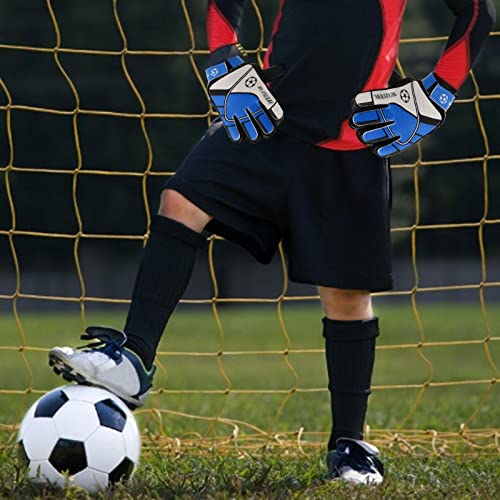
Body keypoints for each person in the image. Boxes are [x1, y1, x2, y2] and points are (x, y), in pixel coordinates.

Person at [49, 0, 495, 485]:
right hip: (267, 117)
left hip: (353, 139)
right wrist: (224, 60)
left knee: (346, 300)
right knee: (181, 200)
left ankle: (350, 444)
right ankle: (134, 358)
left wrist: (436, 92)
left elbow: (477, 12)